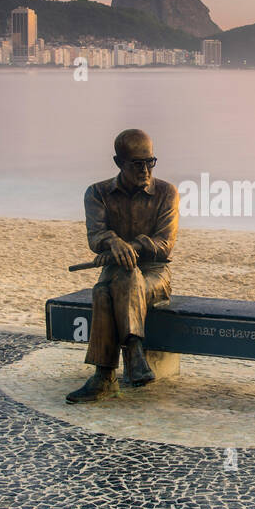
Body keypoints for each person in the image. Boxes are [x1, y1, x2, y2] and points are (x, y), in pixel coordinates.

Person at [66, 128, 178, 403]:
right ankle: (133, 350)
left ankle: (104, 378)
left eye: (150, 162)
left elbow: (165, 244)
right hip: (115, 272)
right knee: (111, 285)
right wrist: (112, 242)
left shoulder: (166, 193)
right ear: (118, 162)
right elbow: (96, 237)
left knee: (109, 288)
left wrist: (133, 246)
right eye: (137, 164)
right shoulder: (97, 193)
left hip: (154, 273)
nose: (145, 170)